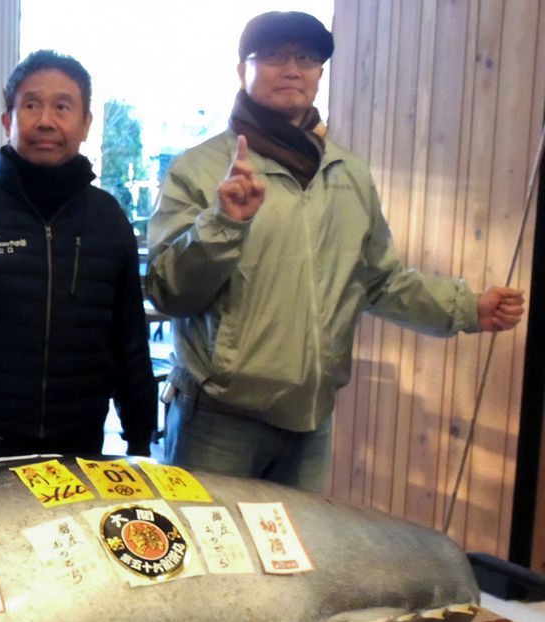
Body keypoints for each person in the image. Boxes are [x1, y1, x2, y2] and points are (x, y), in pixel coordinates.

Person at [146, 10, 524, 490]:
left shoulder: (348, 173)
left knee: (299, 542)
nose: (292, 69)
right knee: (208, 539)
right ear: (243, 70)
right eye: (274, 55)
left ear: (320, 74)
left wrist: (467, 307)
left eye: (306, 58)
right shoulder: (199, 169)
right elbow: (168, 291)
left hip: (311, 422)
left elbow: (380, 281)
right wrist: (224, 223)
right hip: (218, 420)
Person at [0, 50, 157, 458]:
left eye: (62, 107)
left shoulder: (108, 218)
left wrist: (139, 439)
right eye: (32, 105)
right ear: (8, 122)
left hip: (80, 443)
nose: (46, 121)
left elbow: (129, 341)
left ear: (86, 124)